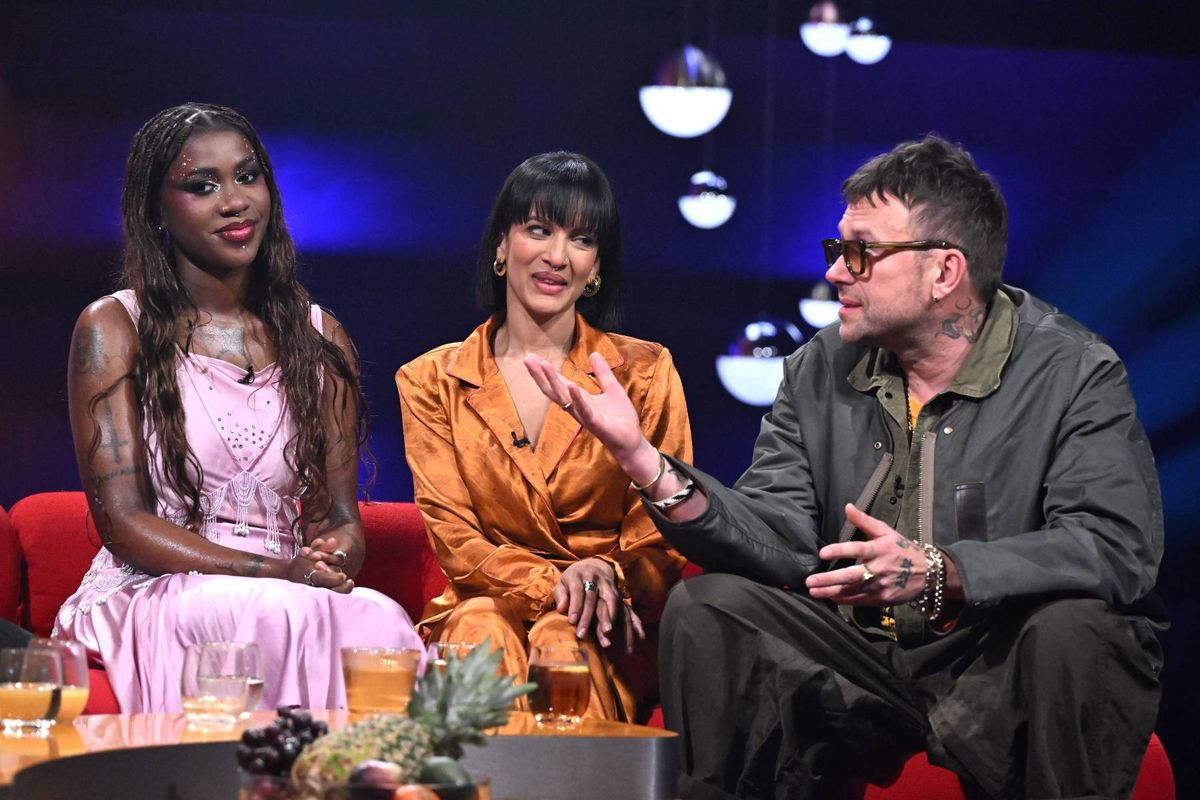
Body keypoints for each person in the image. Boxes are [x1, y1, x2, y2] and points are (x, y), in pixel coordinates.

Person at [526, 135, 1164, 799]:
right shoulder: (818, 367)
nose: (835, 272)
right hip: (867, 658)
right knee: (709, 606)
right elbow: (778, 531)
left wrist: (946, 573)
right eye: (838, 251)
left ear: (945, 272)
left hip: (998, 660)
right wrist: (645, 463)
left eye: (860, 253)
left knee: (1077, 626)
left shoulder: (1072, 372)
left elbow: (1115, 545)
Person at [55, 103, 423, 713]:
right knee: (273, 612)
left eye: (247, 176)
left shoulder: (319, 336)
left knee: (379, 622)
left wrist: (333, 554)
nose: (235, 201)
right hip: (158, 588)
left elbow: (338, 515)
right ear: (156, 210)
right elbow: (123, 525)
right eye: (203, 186)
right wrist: (275, 573)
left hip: (287, 589)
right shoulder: (115, 326)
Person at [396, 151, 692, 722]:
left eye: (581, 239)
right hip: (485, 606)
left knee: (563, 641)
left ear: (597, 265)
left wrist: (604, 580)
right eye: (538, 230)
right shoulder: (431, 379)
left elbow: (661, 541)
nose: (557, 256)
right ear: (502, 247)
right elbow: (457, 543)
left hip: (604, 620)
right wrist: (556, 581)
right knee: (480, 627)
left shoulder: (645, 372)